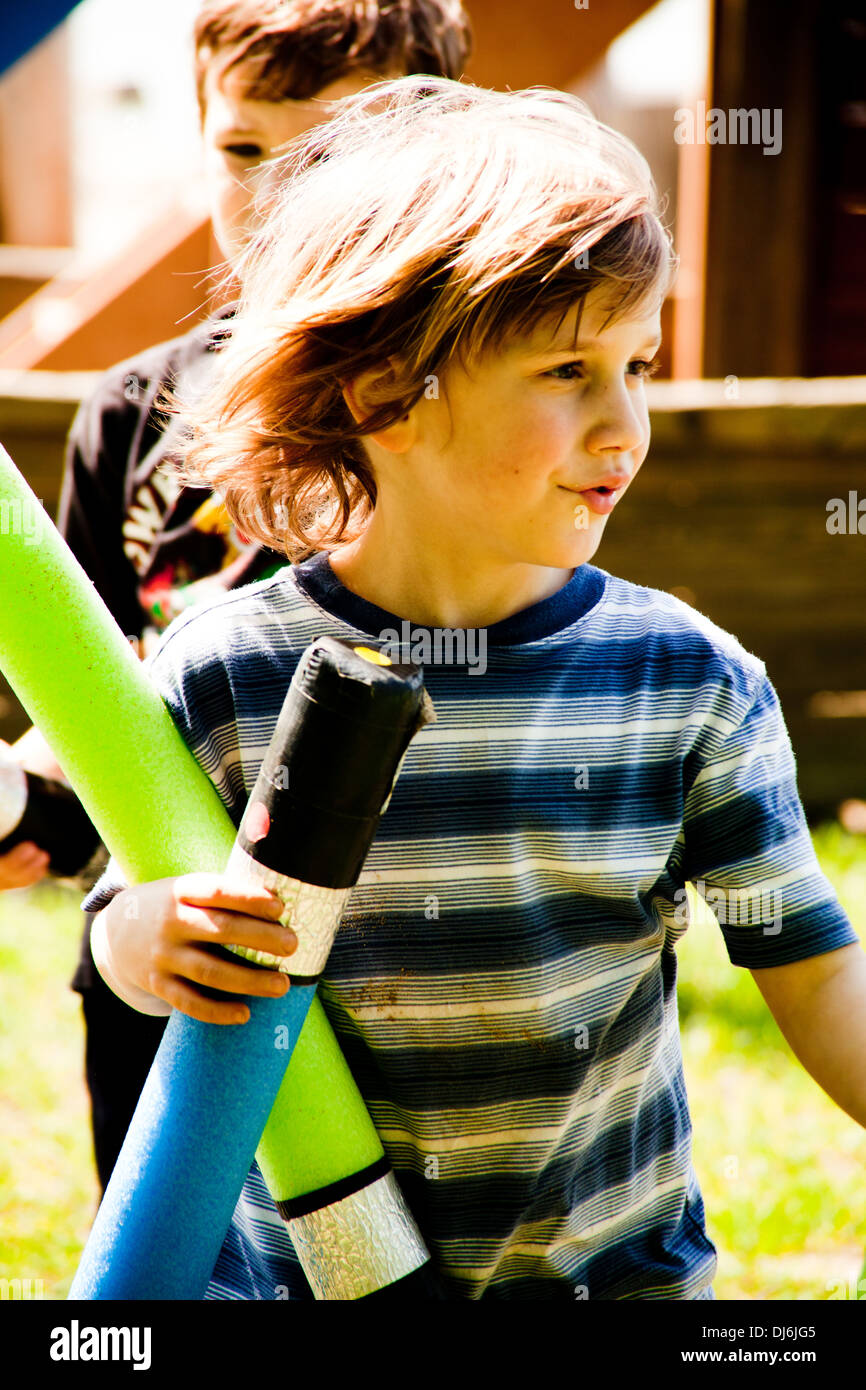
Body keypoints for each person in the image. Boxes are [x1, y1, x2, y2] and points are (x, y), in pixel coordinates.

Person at [81, 75, 866, 1300]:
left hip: (609, 1278)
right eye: (565, 370)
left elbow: (814, 969)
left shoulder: (687, 682)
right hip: (301, 1283)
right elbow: (123, 920)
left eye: (639, 365)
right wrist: (146, 942)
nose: (623, 425)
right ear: (383, 393)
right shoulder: (225, 674)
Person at [0, 0, 472, 1194]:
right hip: (168, 960)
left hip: (408, 969)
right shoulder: (135, 413)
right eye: (245, 149)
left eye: (335, 152)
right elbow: (99, 723)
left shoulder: (474, 401)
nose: (278, 196)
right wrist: (19, 805)